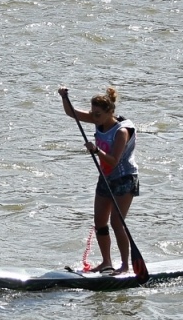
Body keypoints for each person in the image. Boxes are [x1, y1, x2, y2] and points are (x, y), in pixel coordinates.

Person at [59, 85, 139, 274]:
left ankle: (125, 266)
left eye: (97, 114)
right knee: (100, 222)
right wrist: (64, 97)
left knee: (117, 223)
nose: (93, 117)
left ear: (110, 112)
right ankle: (106, 262)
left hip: (124, 178)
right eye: (92, 113)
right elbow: (72, 113)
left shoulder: (122, 132)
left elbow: (113, 160)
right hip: (105, 177)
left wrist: (96, 150)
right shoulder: (99, 120)